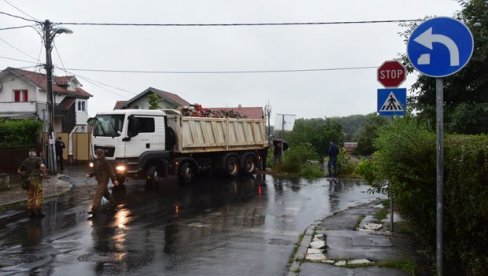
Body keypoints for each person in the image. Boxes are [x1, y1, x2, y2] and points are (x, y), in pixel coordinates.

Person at [86, 148, 119, 215]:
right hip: (99, 180)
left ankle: (94, 209)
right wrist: (90, 175)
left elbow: (110, 171)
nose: (97, 155)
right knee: (105, 193)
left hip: (104, 180)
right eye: (97, 154)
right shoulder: (97, 161)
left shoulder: (105, 161)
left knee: (99, 193)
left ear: (101, 154)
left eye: (98, 154)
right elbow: (95, 171)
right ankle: (114, 203)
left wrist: (114, 179)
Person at [17, 149, 46, 218]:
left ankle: (30, 212)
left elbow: (18, 171)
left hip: (28, 181)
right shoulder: (38, 159)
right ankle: (38, 212)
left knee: (30, 196)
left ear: (29, 154)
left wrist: (24, 175)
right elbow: (42, 166)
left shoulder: (25, 160)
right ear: (35, 154)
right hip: (36, 180)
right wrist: (43, 174)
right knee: (37, 195)